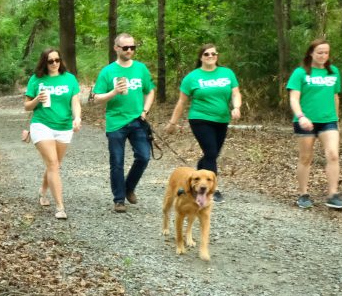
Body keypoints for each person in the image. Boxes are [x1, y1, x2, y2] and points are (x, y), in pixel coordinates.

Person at [166, 43, 242, 203]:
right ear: (201, 57)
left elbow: (236, 93)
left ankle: (196, 177)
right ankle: (213, 190)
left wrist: (236, 107)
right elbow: (181, 102)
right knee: (211, 153)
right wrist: (172, 123)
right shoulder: (192, 77)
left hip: (221, 119)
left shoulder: (227, 73)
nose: (210, 56)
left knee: (211, 155)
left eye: (214, 54)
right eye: (207, 54)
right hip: (199, 119)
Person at [92, 33, 155, 213]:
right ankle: (119, 199)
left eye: (132, 47)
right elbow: (96, 98)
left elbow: (150, 91)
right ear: (116, 48)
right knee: (117, 162)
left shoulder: (141, 69)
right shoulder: (108, 71)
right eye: (125, 47)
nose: (129, 51)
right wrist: (113, 92)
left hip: (137, 120)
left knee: (143, 156)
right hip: (116, 122)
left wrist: (145, 111)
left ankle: (129, 188)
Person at [287, 39, 342, 210]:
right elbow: (294, 98)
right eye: (319, 52)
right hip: (305, 121)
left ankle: (333, 195)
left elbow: (335, 97)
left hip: (328, 120)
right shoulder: (300, 73)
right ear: (311, 53)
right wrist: (300, 116)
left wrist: (336, 119)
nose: (323, 56)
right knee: (306, 157)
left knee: (333, 155)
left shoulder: (333, 72)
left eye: (326, 53)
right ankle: (303, 194)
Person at [24, 48, 82, 219]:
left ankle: (43, 191)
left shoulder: (69, 79)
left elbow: (75, 101)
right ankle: (60, 207)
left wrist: (77, 118)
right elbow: (26, 106)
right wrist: (36, 100)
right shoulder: (36, 80)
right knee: (53, 163)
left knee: (54, 165)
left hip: (64, 126)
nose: (55, 64)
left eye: (57, 60)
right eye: (50, 61)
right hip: (42, 125)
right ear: (44, 62)